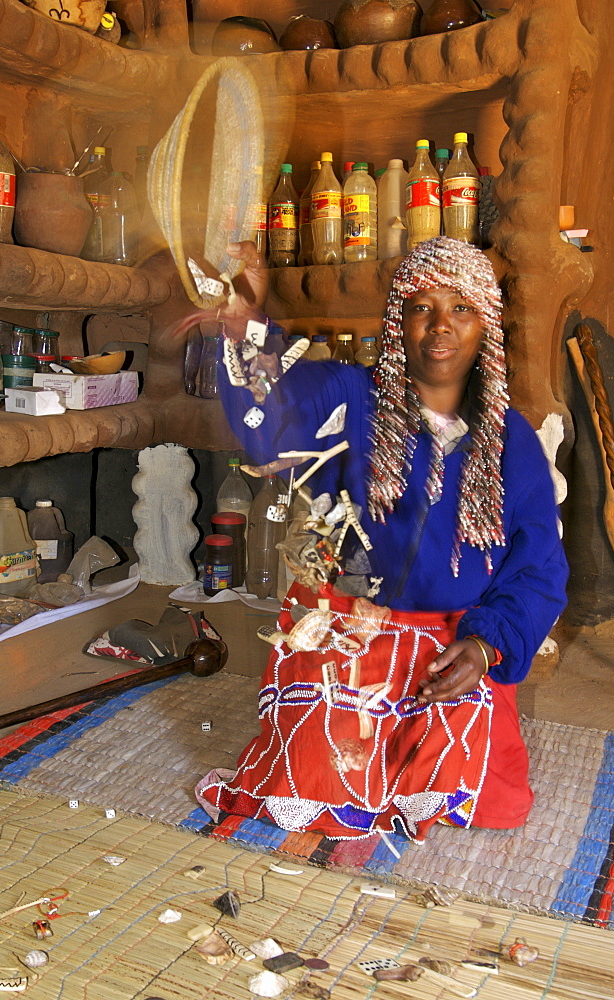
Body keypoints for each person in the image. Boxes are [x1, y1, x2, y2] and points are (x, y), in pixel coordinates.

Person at [195, 236, 568, 843]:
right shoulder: (354, 397)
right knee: (310, 781)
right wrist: (246, 324)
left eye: (462, 310)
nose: (441, 328)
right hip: (358, 631)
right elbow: (273, 423)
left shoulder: (512, 442)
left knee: (486, 801)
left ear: (487, 330)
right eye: (422, 308)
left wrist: (484, 648)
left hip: (454, 645)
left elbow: (539, 569)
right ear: (398, 322)